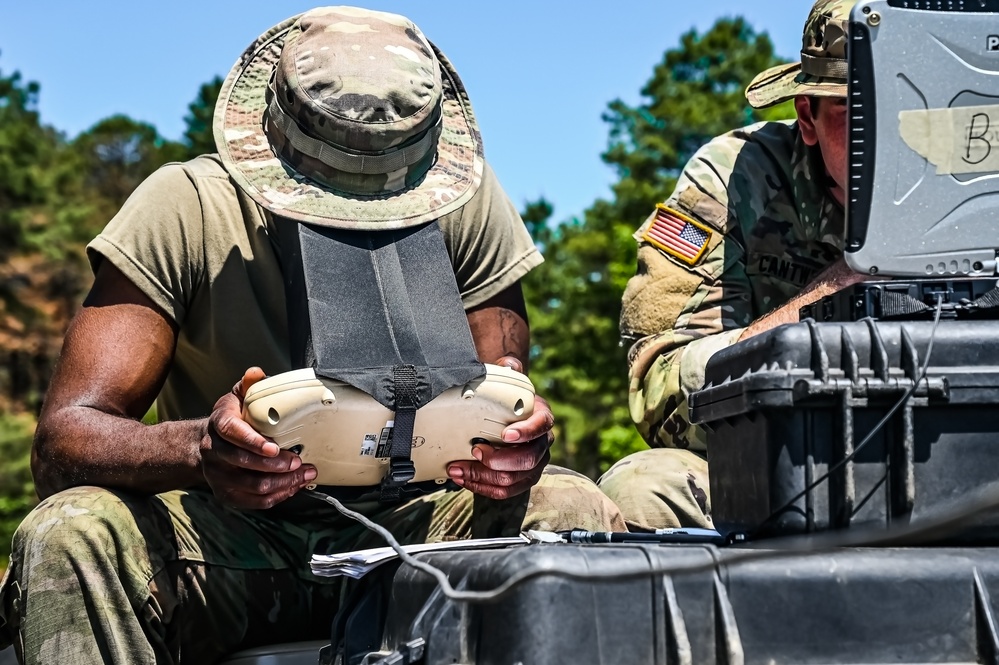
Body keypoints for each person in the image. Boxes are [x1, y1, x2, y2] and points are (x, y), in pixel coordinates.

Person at [0, 7, 625, 663]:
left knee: (570, 507)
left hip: (422, 535)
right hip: (232, 544)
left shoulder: (467, 205)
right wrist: (199, 448)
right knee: (70, 533)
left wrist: (517, 450)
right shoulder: (184, 205)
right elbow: (64, 441)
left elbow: (505, 390)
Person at [598, 0, 868, 531]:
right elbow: (660, 394)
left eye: (913, 113)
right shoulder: (739, 178)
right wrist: (834, 294)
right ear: (807, 116)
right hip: (783, 453)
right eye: (858, 113)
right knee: (642, 490)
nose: (885, 140)